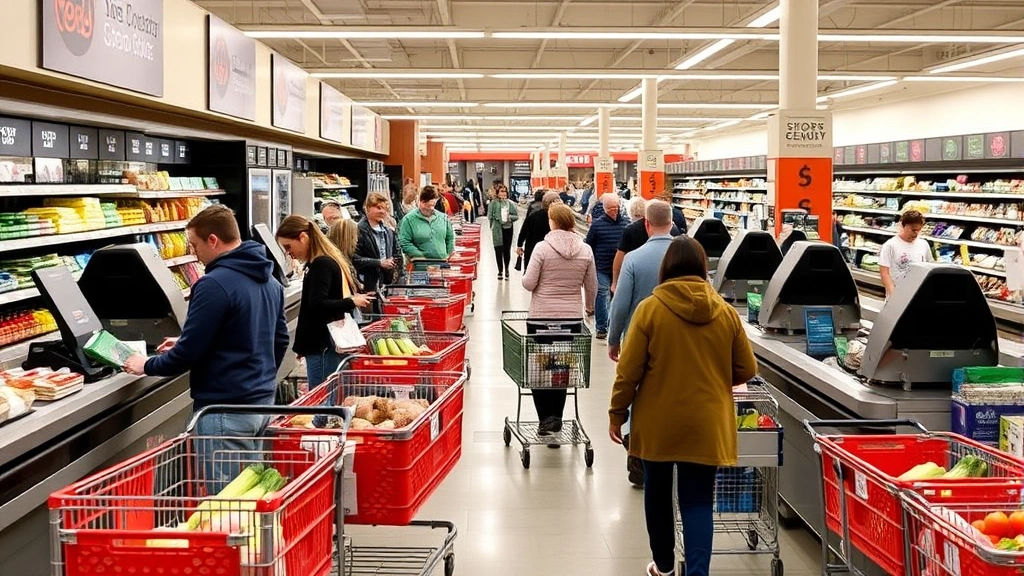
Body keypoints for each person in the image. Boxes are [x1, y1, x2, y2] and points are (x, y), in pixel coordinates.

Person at [608, 236, 757, 576]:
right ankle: (697, 572)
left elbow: (628, 372)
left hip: (657, 423)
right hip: (707, 424)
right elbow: (746, 369)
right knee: (698, 500)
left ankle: (663, 566)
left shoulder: (649, 310)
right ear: (703, 268)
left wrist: (617, 414)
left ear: (667, 268)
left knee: (657, 495)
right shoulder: (725, 312)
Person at [122, 205, 289, 491]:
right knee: (252, 499)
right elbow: (277, 338)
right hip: (261, 403)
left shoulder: (213, 284)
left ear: (213, 240)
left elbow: (188, 355)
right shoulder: (270, 280)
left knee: (225, 506)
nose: (194, 252)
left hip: (224, 410)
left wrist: (145, 365)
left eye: (195, 245)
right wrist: (256, 378)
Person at [607, 200, 677, 488]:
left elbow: (621, 304)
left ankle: (639, 460)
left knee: (639, 396)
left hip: (640, 339)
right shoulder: (686, 254)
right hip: (678, 340)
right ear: (671, 223)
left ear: (646, 224)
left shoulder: (634, 258)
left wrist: (613, 339)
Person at [523, 204, 597, 436]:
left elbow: (529, 283)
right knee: (561, 367)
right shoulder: (585, 250)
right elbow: (592, 285)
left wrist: (528, 279)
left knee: (539, 369)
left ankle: (545, 419)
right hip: (571, 320)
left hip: (542, 318)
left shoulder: (542, 249)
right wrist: (588, 307)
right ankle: (558, 417)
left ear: (552, 222)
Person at [276, 215, 372, 389]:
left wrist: (351, 302)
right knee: (328, 397)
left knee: (322, 401)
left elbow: (317, 305)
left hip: (322, 346)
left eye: (288, 246)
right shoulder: (324, 261)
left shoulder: (321, 265)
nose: (289, 253)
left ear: (303, 237)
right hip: (323, 344)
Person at [612, 198, 681, 294]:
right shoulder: (674, 230)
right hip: (667, 282)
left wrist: (615, 282)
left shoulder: (631, 231)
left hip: (638, 280)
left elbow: (620, 256)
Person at [585, 193, 629, 339]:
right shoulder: (597, 225)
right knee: (602, 294)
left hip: (622, 268)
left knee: (617, 297)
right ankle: (601, 327)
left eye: (616, 208)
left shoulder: (626, 224)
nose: (614, 211)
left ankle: (615, 326)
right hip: (602, 267)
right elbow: (589, 245)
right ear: (604, 209)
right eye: (611, 209)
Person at [354, 192, 402, 310]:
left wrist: (395, 267)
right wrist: (379, 263)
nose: (382, 211)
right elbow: (354, 258)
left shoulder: (388, 230)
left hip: (385, 283)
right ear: (367, 208)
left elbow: (397, 252)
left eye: (385, 208)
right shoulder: (358, 230)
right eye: (378, 207)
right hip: (366, 284)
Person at [879, 210, 933, 298]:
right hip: (897, 293)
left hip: (917, 293)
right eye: (913, 230)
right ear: (903, 226)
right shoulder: (890, 245)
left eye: (919, 230)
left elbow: (929, 266)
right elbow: (884, 273)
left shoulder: (923, 244)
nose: (916, 233)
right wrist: (893, 294)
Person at [398, 185, 456, 261]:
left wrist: (448, 254)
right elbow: (404, 242)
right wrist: (421, 257)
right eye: (428, 206)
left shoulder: (443, 218)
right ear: (421, 202)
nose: (431, 209)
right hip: (420, 266)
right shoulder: (408, 220)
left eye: (433, 205)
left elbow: (450, 238)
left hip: (442, 264)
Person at [516, 191, 561, 270]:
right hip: (552, 253)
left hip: (532, 249)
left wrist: (519, 245)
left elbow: (524, 231)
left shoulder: (533, 216)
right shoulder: (560, 218)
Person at [488, 185, 520, 280]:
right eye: (501, 192)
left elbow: (516, 216)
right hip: (497, 229)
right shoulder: (493, 204)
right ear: (497, 193)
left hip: (508, 229)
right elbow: (489, 216)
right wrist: (493, 226)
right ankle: (500, 270)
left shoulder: (511, 204)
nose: (503, 194)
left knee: (506, 250)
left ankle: (506, 269)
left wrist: (510, 218)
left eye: (504, 192)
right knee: (498, 250)